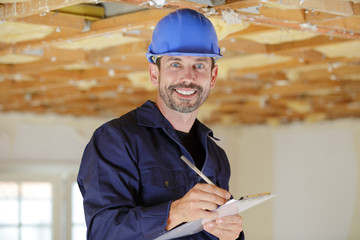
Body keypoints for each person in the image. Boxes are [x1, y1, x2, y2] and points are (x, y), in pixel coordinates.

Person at [77, 8, 244, 240]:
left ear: (212, 77)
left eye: (199, 66)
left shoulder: (216, 157)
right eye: (175, 64)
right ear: (154, 73)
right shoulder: (116, 140)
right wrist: (173, 213)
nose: (188, 77)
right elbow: (103, 232)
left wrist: (232, 235)